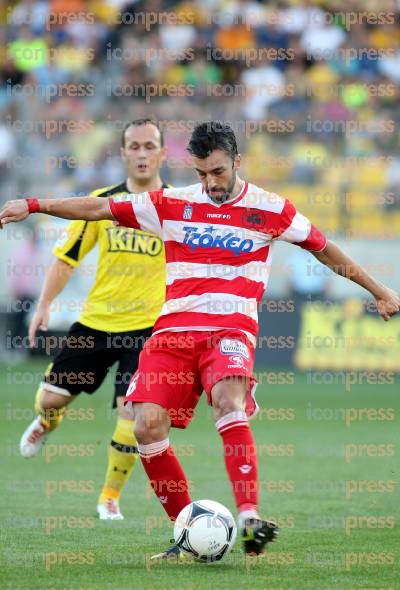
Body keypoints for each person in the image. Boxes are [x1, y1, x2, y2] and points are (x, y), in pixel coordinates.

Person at [1, 121, 399, 558]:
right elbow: (99, 209)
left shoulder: (272, 209)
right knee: (145, 424)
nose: (210, 183)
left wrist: (379, 291)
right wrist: (35, 204)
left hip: (230, 332)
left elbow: (325, 249)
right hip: (171, 334)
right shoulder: (170, 203)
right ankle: (186, 532)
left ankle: (249, 518)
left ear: (237, 162)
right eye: (202, 174)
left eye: (218, 172)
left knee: (228, 400)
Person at [16, 118, 169, 521]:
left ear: (162, 153)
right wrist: (45, 303)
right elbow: (68, 259)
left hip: (148, 330)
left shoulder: (175, 207)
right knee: (50, 399)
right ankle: (46, 424)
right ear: (122, 153)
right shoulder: (102, 202)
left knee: (131, 412)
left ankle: (109, 497)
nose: (141, 153)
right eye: (133, 146)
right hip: (97, 323)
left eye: (149, 146)